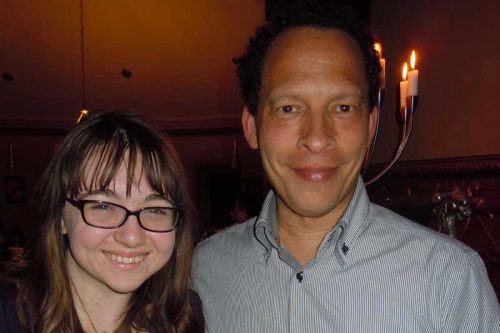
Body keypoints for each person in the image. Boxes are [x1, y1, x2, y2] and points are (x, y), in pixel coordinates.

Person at [191, 1, 500, 332]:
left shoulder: (449, 276)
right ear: (252, 127)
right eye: (289, 108)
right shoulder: (205, 269)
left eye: (342, 107)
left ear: (370, 126)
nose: (317, 137)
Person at [0, 111, 204, 332]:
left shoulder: (184, 315)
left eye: (155, 209)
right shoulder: (8, 314)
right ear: (60, 216)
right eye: (103, 206)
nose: (132, 237)